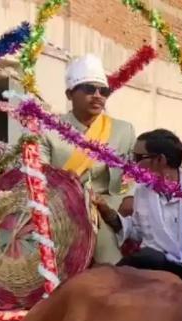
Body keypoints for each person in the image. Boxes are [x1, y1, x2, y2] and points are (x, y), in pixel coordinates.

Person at [39, 54, 136, 265]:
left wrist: (129, 197)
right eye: (89, 89)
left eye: (104, 91)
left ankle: (114, 272)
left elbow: (133, 174)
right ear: (69, 94)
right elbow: (39, 176)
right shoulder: (48, 130)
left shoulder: (123, 130)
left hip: (110, 203)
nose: (97, 96)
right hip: (62, 204)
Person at [94, 129, 182, 282]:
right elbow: (137, 232)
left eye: (138, 158)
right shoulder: (142, 191)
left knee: (147, 257)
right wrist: (109, 214)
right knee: (147, 257)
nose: (134, 164)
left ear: (160, 159)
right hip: (152, 266)